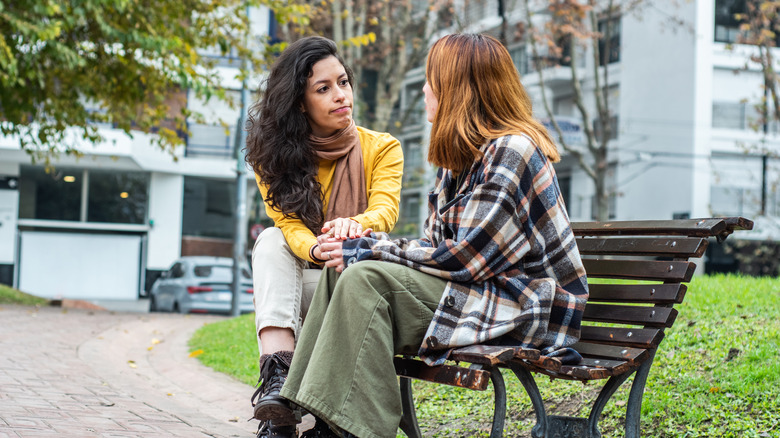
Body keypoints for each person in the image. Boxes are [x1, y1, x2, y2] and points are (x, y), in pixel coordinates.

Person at [259, 33, 590, 438]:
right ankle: (320, 421)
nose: (424, 90)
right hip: (479, 291)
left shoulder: (512, 150)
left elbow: (465, 258)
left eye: (432, 80)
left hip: (521, 303)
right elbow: (436, 246)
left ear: (455, 89)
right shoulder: (461, 159)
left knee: (364, 276)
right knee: (343, 270)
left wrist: (369, 247)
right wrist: (362, 251)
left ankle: (355, 430)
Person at [244, 36, 404, 438]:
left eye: (343, 82)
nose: (340, 95)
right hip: (306, 278)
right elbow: (288, 226)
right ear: (300, 103)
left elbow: (386, 211)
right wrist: (317, 247)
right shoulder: (272, 158)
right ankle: (279, 387)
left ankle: (282, 414)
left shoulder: (382, 148)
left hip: (353, 286)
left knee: (290, 281)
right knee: (270, 242)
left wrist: (355, 225)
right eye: (323, 88)